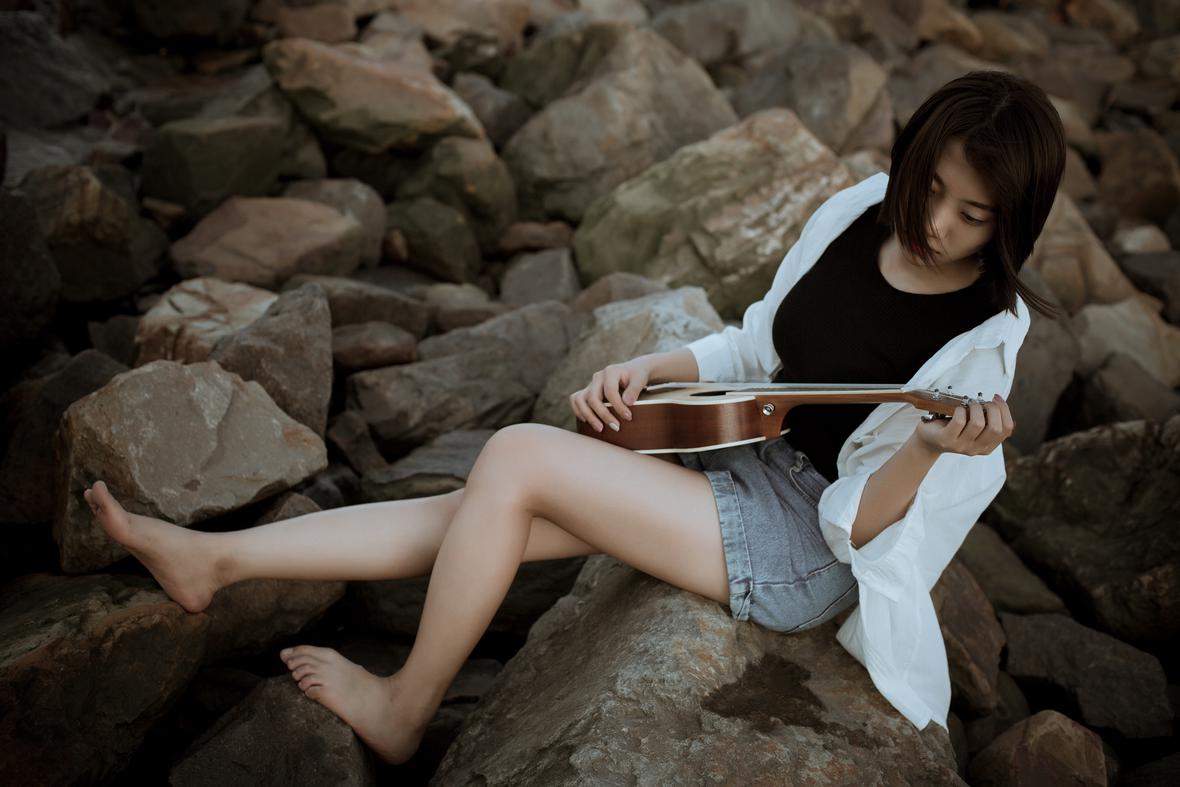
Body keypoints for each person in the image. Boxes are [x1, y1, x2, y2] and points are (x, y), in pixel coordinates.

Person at [82, 69, 1065, 764]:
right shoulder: (860, 210)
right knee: (481, 511)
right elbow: (758, 345)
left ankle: (404, 707)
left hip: (806, 538)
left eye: (972, 214)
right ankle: (217, 561)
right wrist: (647, 367)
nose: (934, 222)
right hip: (740, 445)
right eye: (930, 186)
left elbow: (870, 525)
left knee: (514, 460)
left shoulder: (982, 340)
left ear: (1012, 223)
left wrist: (927, 448)